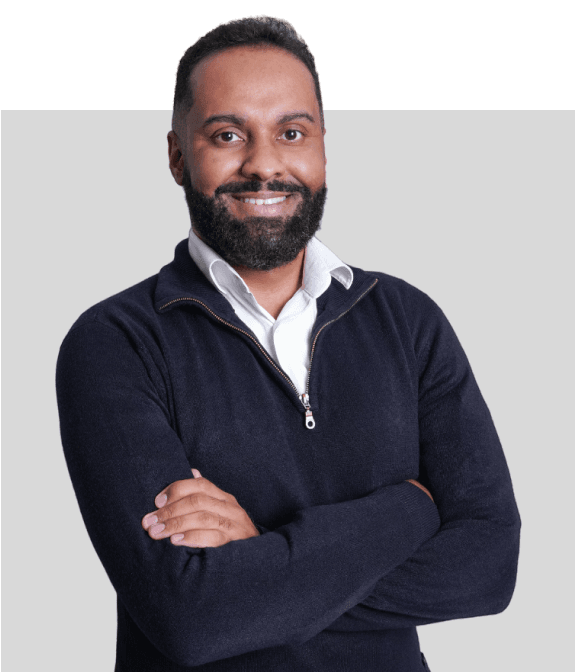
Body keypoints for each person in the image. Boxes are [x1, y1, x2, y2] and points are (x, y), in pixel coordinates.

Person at [56, 15, 521, 672]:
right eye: (227, 135)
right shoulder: (116, 342)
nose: (265, 165)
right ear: (178, 156)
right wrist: (412, 508)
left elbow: (489, 569)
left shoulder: (407, 321)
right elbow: (193, 616)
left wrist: (264, 554)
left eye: (292, 133)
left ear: (323, 148)